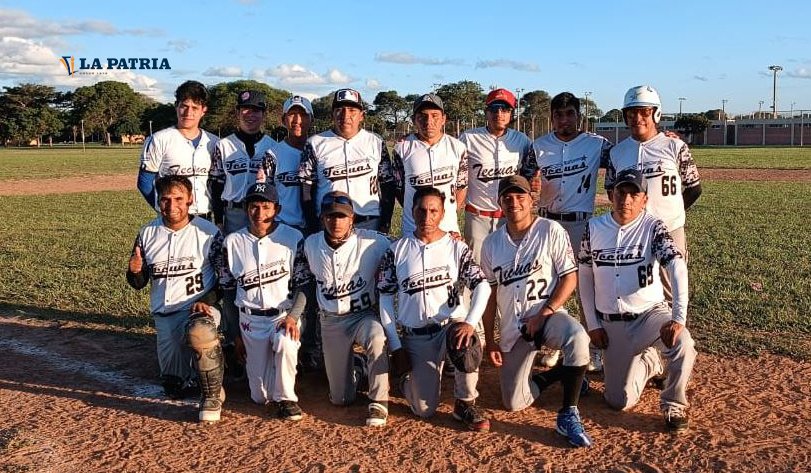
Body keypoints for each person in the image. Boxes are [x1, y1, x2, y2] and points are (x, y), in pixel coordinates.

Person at [578, 168, 696, 432]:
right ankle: (651, 362)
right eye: (621, 192)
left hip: (649, 316)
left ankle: (673, 404)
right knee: (618, 401)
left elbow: (676, 266)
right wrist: (593, 324)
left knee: (683, 342)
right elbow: (584, 277)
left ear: (644, 199)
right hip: (611, 324)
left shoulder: (653, 226)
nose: (627, 199)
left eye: (634, 193)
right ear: (611, 195)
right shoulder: (594, 228)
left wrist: (678, 317)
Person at [480, 175, 593, 447]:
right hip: (514, 329)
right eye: (507, 197)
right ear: (499, 203)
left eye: (520, 196)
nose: (514, 202)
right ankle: (557, 375)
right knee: (514, 403)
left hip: (549, 318)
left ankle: (568, 413)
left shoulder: (550, 230)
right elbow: (490, 295)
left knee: (577, 337)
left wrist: (546, 312)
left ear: (532, 200)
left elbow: (570, 278)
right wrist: (491, 340)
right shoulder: (491, 243)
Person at [377, 186, 492, 432]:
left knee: (467, 342)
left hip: (449, 327)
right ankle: (408, 379)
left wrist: (470, 322)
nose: (427, 217)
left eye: (433, 211)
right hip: (416, 334)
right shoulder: (396, 250)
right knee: (424, 410)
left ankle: (465, 403)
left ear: (442, 214)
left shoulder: (456, 248)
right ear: (412, 211)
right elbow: (385, 298)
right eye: (421, 210)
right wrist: (396, 346)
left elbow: (483, 286)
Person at [520, 92, 613, 371]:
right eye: (558, 115)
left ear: (579, 116)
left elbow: (626, 154)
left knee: (587, 284)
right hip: (548, 223)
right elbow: (525, 179)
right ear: (552, 118)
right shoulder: (539, 146)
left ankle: (592, 346)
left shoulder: (596, 144)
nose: (564, 120)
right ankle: (554, 344)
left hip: (580, 223)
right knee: (548, 284)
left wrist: (667, 136)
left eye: (570, 113)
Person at [126, 175, 225, 423]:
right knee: (174, 385)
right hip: (165, 315)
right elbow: (138, 283)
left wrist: (209, 300)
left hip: (198, 308)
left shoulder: (208, 232)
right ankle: (202, 368)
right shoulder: (147, 233)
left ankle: (213, 393)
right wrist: (135, 271)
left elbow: (226, 279)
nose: (172, 206)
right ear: (158, 201)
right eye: (165, 200)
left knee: (201, 330)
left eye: (179, 199)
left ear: (190, 199)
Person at [219, 182, 313, 420]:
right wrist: (234, 334)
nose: (259, 213)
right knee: (259, 396)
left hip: (283, 315)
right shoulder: (232, 242)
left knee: (286, 342)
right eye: (254, 206)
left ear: (277, 209)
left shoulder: (292, 238)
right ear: (245, 208)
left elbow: (304, 285)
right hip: (250, 320)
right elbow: (229, 293)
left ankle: (287, 399)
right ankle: (282, 371)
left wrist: (293, 317)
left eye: (266, 206)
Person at [303, 191, 392, 427]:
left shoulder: (374, 242)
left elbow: (407, 247)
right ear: (322, 218)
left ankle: (379, 400)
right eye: (331, 216)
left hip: (363, 315)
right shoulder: (310, 244)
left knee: (376, 336)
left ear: (352, 218)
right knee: (341, 399)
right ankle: (358, 366)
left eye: (342, 216)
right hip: (331, 321)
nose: (336, 221)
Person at [605, 85, 702, 302]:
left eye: (644, 112)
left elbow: (695, 188)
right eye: (631, 113)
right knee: (636, 291)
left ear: (656, 113)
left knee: (673, 293)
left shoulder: (675, 146)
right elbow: (612, 192)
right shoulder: (617, 152)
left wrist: (673, 214)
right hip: (632, 233)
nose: (637, 117)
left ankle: (676, 333)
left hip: (670, 229)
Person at [260, 95, 321, 372]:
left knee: (314, 288)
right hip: (283, 230)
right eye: (292, 115)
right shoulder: (273, 153)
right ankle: (285, 341)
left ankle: (311, 345)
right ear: (284, 120)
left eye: (303, 115)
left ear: (310, 118)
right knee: (286, 289)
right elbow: (263, 192)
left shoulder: (318, 148)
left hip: (313, 228)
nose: (297, 120)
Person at [299, 88, 395, 234]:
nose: (345, 115)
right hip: (330, 222)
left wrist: (385, 222)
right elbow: (306, 189)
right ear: (332, 114)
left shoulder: (375, 141)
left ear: (361, 115)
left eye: (352, 110)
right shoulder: (315, 143)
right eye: (340, 110)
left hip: (368, 222)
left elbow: (387, 185)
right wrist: (312, 224)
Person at [460, 88, 532, 263]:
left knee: (509, 268)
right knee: (476, 271)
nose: (499, 113)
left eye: (505, 109)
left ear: (511, 113)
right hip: (478, 216)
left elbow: (533, 170)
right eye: (494, 108)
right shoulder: (469, 138)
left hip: (510, 217)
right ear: (486, 112)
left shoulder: (521, 140)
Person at [138, 80, 218, 218]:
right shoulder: (159, 139)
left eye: (195, 108)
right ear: (176, 106)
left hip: (205, 216)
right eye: (184, 106)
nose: (188, 112)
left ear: (203, 110)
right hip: (172, 219)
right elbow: (145, 182)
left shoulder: (214, 142)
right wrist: (163, 209)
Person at [393, 93, 467, 237]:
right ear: (414, 120)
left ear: (444, 119)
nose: (429, 121)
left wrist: (448, 214)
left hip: (448, 229)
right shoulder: (402, 148)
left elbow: (461, 187)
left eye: (435, 115)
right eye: (422, 116)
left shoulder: (458, 147)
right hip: (413, 229)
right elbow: (399, 190)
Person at [210, 90, 277, 234]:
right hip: (233, 213)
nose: (250, 115)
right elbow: (216, 185)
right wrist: (219, 220)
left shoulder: (273, 147)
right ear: (237, 113)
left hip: (263, 213)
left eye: (256, 110)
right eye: (245, 109)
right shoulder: (223, 145)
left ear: (264, 114)